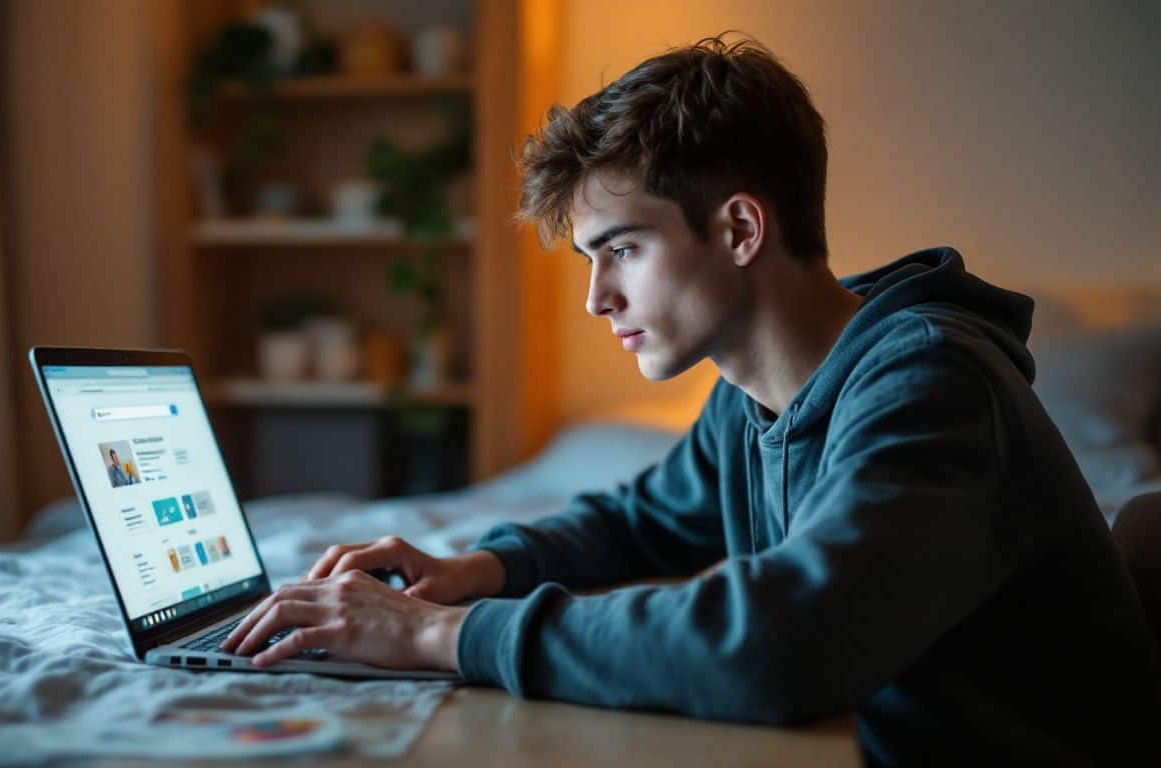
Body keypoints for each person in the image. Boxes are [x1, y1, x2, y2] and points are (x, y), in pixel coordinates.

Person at [220, 34, 1159, 763]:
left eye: (621, 249)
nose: (597, 298)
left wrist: (440, 637)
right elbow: (640, 521)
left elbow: (782, 645)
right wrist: (477, 569)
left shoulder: (929, 387)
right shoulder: (754, 395)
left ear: (741, 227)